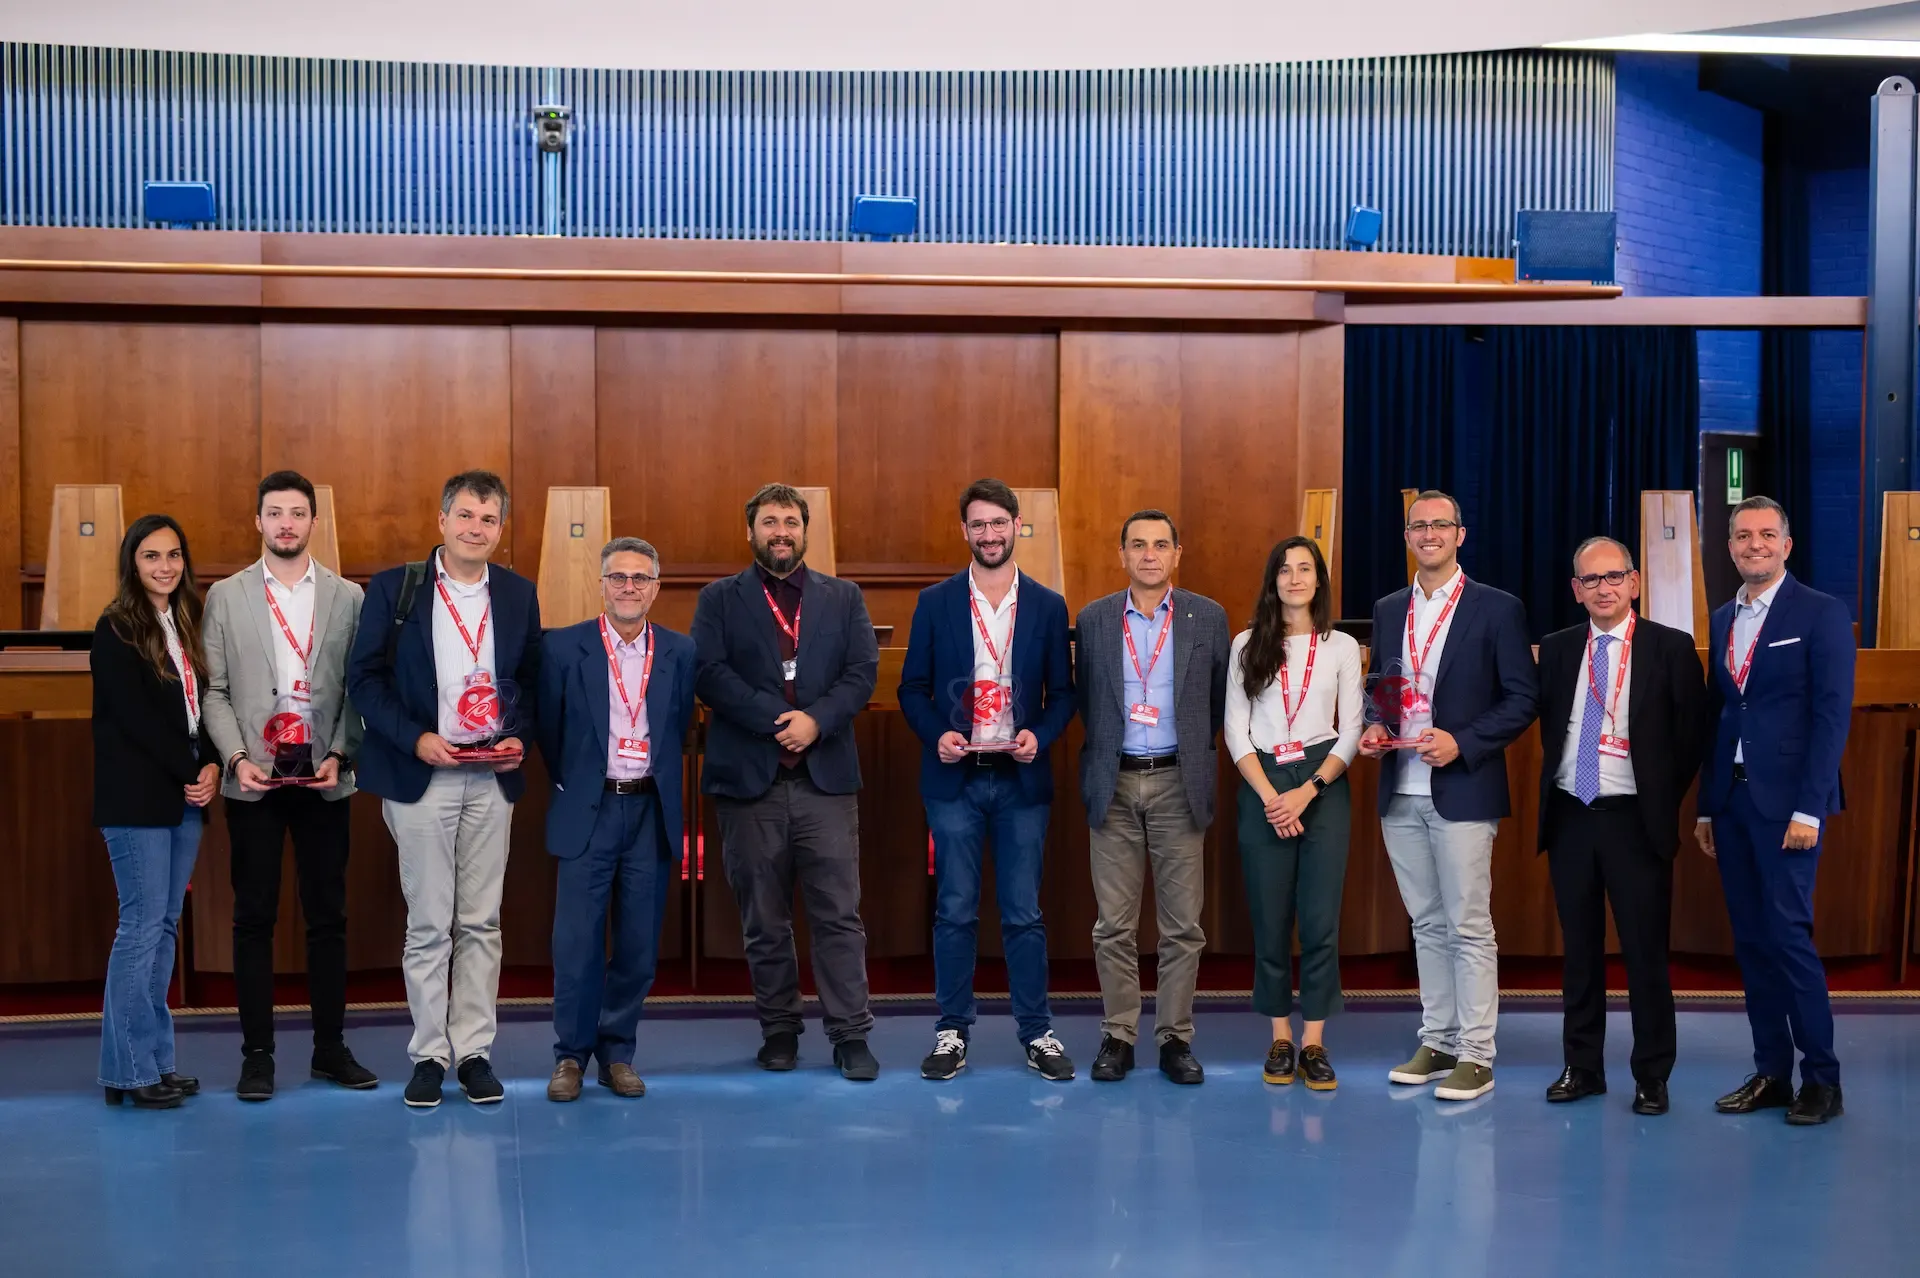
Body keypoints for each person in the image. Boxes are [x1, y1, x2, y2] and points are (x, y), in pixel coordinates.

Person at [346, 471, 541, 1108]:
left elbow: (534, 684)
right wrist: (415, 739)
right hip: (422, 775)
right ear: (441, 520)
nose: (475, 529)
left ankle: (475, 1053)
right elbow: (364, 680)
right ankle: (429, 1055)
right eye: (464, 516)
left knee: (481, 922)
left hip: (491, 778)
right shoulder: (394, 589)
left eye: (487, 520)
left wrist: (520, 737)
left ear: (499, 529)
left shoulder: (517, 594)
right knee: (429, 924)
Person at [693, 483, 881, 1080]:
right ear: (750, 531)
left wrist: (815, 722)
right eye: (769, 521)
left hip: (825, 780)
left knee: (838, 915)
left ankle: (850, 1034)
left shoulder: (843, 596)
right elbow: (709, 674)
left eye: (791, 522)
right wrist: (779, 721)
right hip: (750, 783)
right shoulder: (720, 598)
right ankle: (779, 1029)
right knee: (764, 918)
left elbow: (861, 673)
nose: (781, 531)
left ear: (805, 530)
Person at [201, 471, 378, 1101]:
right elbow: (214, 691)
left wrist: (340, 751)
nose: (285, 524)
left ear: (312, 522)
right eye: (274, 513)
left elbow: (363, 688)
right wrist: (235, 756)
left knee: (328, 917)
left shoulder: (348, 598)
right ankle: (257, 1056)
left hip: (324, 776)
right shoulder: (225, 596)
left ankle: (330, 1049)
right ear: (258, 521)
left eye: (297, 513)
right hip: (255, 778)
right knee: (254, 918)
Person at [1359, 490, 1538, 1101]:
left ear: (1461, 534)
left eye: (1441, 525)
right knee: (1426, 924)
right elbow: (1384, 683)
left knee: (1467, 925)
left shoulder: (1497, 608)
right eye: (1418, 526)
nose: (1429, 534)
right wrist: (1377, 725)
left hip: (1462, 787)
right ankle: (1437, 1038)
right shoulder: (1388, 609)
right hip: (1400, 787)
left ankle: (1478, 1054)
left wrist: (1463, 742)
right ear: (1407, 536)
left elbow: (1522, 698)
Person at [899, 480, 1078, 1082]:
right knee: (954, 910)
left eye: (1000, 523)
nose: (990, 534)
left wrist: (1041, 736)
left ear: (1017, 525)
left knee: (1024, 912)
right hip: (955, 780)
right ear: (965, 531)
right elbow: (912, 690)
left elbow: (1065, 694)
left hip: (1021, 781)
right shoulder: (935, 602)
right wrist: (936, 736)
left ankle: (1037, 1033)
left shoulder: (1050, 606)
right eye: (979, 525)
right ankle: (952, 1031)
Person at [1697, 496, 1854, 1126]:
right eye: (1742, 535)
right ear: (1730, 547)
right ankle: (1771, 1073)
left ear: (1787, 545)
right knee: (1753, 942)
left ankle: (1823, 1079)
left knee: (1788, 937)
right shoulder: (1722, 615)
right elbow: (1721, 719)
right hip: (1733, 806)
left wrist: (1810, 810)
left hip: (1791, 810)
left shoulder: (1820, 613)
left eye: (1767, 534)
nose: (1754, 544)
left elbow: (1830, 718)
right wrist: (1708, 808)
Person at [1536, 537, 1706, 1116]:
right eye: (1591, 580)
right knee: (1579, 952)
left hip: (1636, 822)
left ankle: (1652, 1074)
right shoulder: (1558, 650)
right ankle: (1582, 1067)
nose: (1603, 588)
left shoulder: (1670, 648)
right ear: (1576, 590)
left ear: (1634, 583)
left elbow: (1690, 740)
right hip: (1572, 816)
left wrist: (1658, 798)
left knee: (1644, 955)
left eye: (1614, 577)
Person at [536, 537, 696, 1102]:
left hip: (649, 810)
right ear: (601, 584)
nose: (629, 587)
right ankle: (570, 1057)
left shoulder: (681, 652)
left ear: (655, 587)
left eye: (641, 578)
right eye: (619, 577)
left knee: (636, 942)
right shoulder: (561, 649)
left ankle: (618, 1052)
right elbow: (551, 736)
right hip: (590, 808)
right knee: (576, 941)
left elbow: (678, 729)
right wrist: (582, 785)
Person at [1074, 509, 1228, 1084]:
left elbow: (1214, 704)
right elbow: (1088, 700)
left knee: (1182, 926)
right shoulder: (1092, 620)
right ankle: (1118, 1035)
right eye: (1137, 544)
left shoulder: (1207, 618)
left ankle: (1174, 1039)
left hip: (1177, 781)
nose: (1149, 554)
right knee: (1112, 925)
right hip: (1112, 781)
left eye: (1161, 544)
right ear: (1122, 555)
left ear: (1177, 554)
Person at [91, 514, 221, 1109]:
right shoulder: (116, 628)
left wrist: (212, 764)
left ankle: (157, 1061)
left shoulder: (186, 621)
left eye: (173, 555)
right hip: (139, 799)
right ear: (132, 563)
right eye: (151, 556)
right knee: (139, 929)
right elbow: (138, 720)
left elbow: (202, 709)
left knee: (164, 927)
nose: (165, 567)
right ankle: (126, 1070)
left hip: (183, 795)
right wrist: (191, 769)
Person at [1226, 536, 1363, 1091]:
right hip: (1262, 781)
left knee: (1320, 921)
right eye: (1284, 569)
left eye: (1305, 569)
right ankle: (1281, 1036)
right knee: (1270, 917)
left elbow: (1352, 728)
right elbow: (1235, 729)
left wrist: (1308, 790)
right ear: (1272, 581)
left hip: (1322, 780)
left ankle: (1314, 1042)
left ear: (1319, 579)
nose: (1295, 578)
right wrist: (1270, 798)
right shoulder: (1246, 644)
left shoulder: (1342, 646)